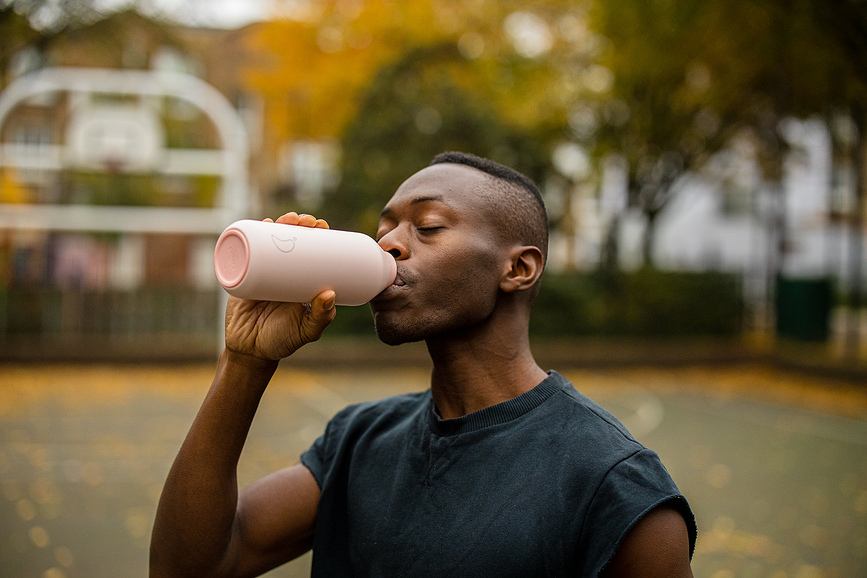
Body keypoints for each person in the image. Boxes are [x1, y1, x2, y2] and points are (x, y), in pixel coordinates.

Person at [150, 152, 697, 577]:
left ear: (519, 268)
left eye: (428, 225)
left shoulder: (615, 485)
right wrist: (244, 362)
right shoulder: (362, 440)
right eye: (385, 227)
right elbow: (190, 567)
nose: (388, 243)